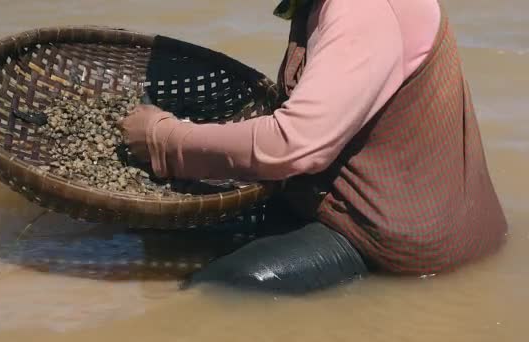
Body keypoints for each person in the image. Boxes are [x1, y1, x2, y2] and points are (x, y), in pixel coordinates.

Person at [117, 0, 508, 294]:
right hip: (374, 208)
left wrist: (163, 139)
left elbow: (294, 144)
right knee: (156, 237)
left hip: (390, 240)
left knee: (212, 288)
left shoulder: (364, 10)